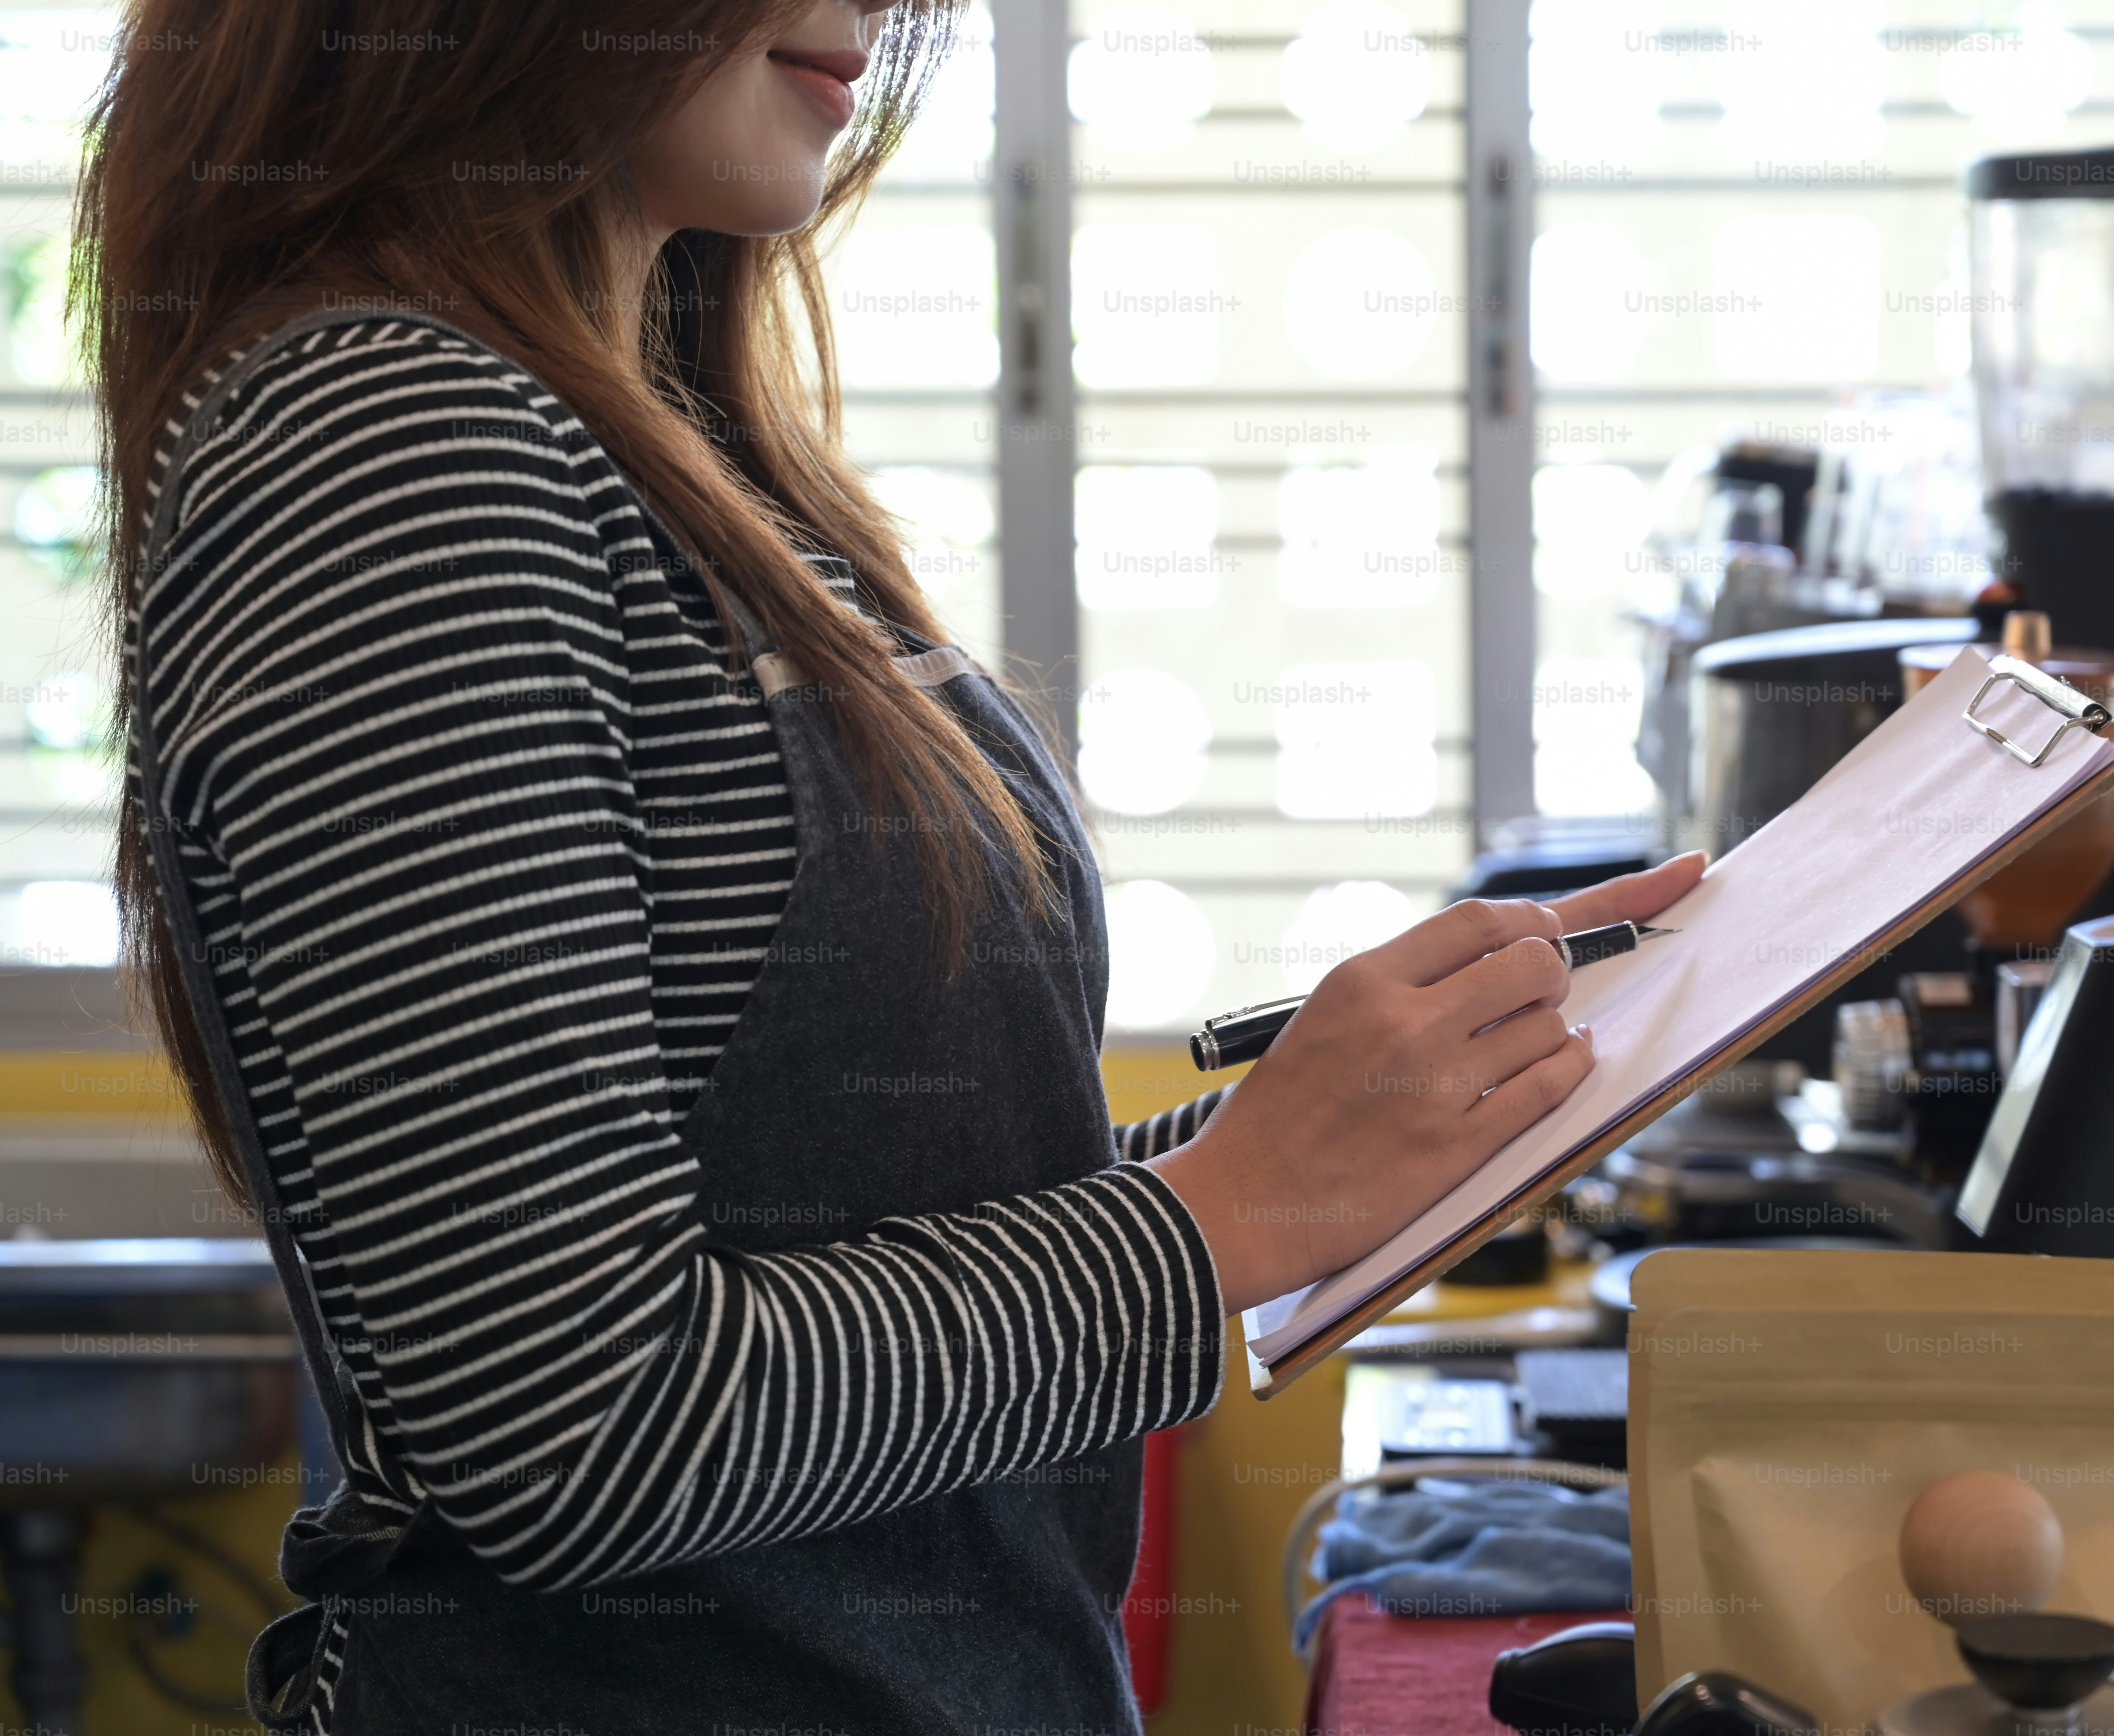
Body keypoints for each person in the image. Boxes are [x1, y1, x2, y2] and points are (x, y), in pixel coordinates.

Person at [86, 1, 1702, 1729]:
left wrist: (1345, 1136)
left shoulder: (666, 452)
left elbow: (846, 1213)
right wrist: (1228, 1218)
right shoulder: (390, 444)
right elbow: (569, 1429)